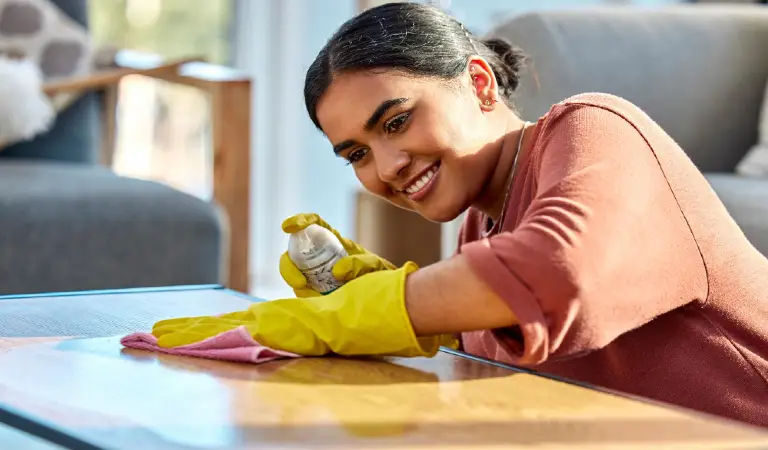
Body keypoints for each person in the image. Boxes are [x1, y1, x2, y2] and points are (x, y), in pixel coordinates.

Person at [151, 3, 768, 427]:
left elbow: (559, 274)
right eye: (357, 154)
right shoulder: (480, 221)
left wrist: (363, 313)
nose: (387, 166)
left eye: (397, 121)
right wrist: (418, 313)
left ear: (478, 83)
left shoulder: (598, 128)